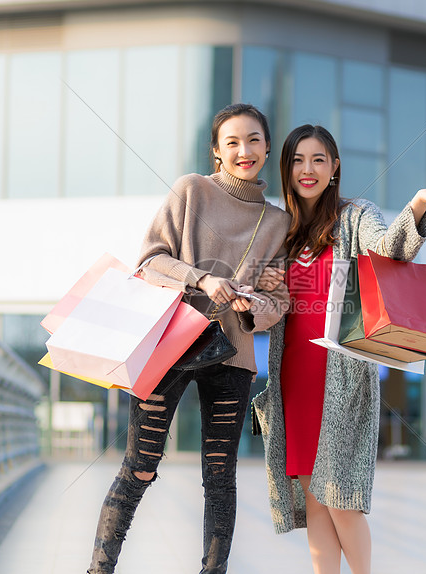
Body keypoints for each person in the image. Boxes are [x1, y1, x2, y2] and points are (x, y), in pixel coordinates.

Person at [88, 103, 291, 574]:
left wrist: (252, 305)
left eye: (255, 140)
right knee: (139, 466)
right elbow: (151, 261)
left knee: (221, 477)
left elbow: (277, 303)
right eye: (234, 142)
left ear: (266, 146)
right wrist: (202, 280)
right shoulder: (191, 190)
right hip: (170, 346)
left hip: (233, 356)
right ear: (217, 151)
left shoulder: (278, 222)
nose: (246, 150)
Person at [252, 124, 426, 574]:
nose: (308, 170)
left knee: (341, 498)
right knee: (314, 499)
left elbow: (387, 251)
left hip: (343, 381)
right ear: (287, 169)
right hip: (292, 378)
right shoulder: (280, 230)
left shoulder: (354, 216)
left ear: (335, 167)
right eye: (297, 161)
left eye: (318, 160)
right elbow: (265, 303)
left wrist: (417, 205)